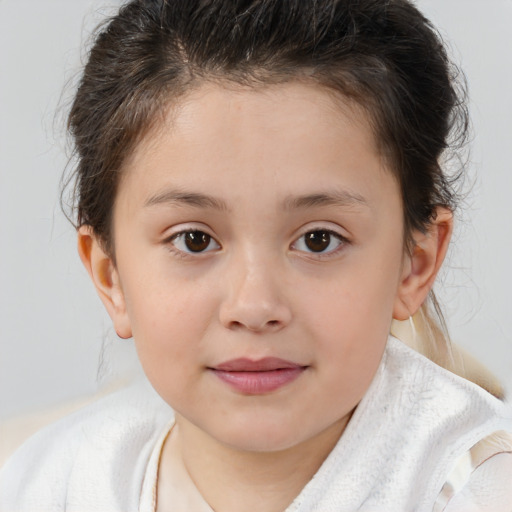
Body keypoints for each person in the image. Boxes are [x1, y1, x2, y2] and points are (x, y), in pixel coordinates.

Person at [1, 0, 511, 510]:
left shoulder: (482, 491)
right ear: (109, 274)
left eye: (318, 239)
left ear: (415, 262)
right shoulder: (50, 484)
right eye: (194, 239)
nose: (254, 305)